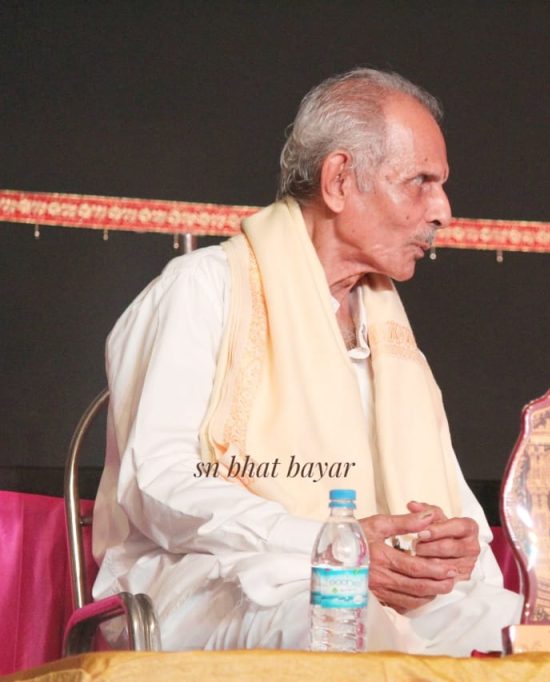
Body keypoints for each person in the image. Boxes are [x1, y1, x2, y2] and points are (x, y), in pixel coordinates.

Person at [92, 68, 521, 655]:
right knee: (338, 620)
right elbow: (158, 483)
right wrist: (326, 545)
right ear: (339, 180)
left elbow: (444, 490)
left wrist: (456, 545)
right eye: (420, 182)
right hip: (215, 582)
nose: (443, 210)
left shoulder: (385, 327)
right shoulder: (204, 288)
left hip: (377, 587)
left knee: (525, 634)